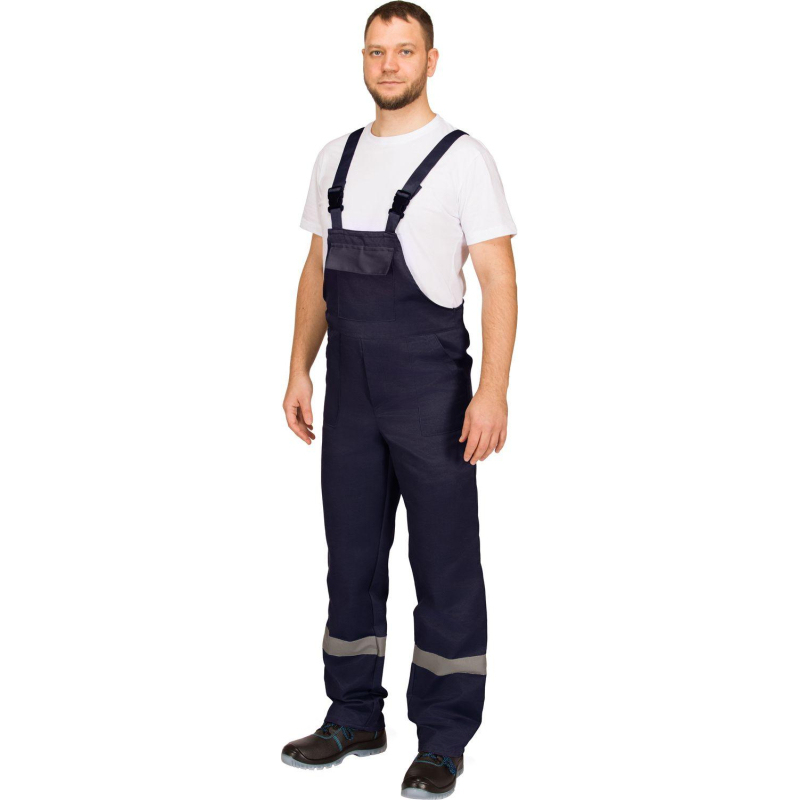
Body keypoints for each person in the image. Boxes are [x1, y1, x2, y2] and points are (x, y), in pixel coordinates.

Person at [281, 2, 518, 796]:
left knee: (444, 562)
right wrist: (298, 369)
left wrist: (492, 392)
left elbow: (498, 280)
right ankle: (353, 715)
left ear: (431, 60)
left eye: (404, 50)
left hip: (431, 390)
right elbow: (316, 271)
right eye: (376, 51)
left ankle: (443, 738)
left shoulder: (464, 159)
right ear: (363, 59)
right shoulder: (335, 156)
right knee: (350, 557)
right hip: (349, 389)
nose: (389, 64)